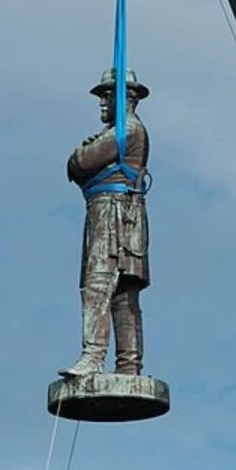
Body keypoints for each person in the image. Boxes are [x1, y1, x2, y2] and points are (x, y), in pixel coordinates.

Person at [60, 68, 151, 378]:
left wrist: (80, 155)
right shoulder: (119, 132)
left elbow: (81, 163)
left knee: (99, 285)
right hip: (119, 215)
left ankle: (93, 356)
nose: (101, 101)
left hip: (113, 215)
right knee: (122, 295)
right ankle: (128, 366)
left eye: (107, 95)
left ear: (127, 98)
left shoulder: (127, 130)